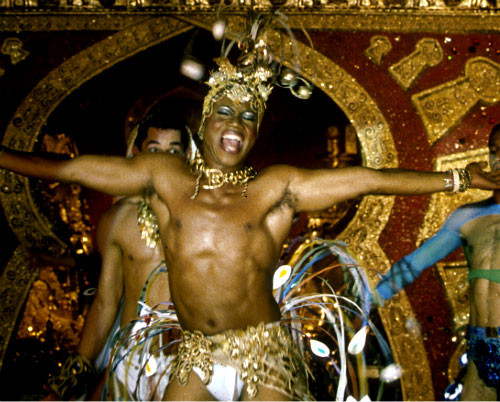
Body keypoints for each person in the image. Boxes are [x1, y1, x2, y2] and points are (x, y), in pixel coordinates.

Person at [2, 49, 500, 400]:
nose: (235, 124)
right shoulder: (165, 179)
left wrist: (458, 178)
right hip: (194, 355)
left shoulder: (274, 188)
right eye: (224, 111)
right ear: (203, 123)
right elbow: (70, 169)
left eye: (248, 116)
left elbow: (369, 179)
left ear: (256, 131)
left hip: (262, 353)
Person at [45, 113, 187, 401]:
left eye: (173, 152)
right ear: (136, 153)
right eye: (154, 150)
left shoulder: (208, 217)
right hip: (130, 358)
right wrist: (66, 384)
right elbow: (105, 303)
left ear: (187, 156)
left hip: (190, 363)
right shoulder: (117, 219)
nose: (163, 161)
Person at [375, 124, 500, 401]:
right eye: (494, 151)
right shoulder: (467, 216)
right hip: (480, 345)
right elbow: (413, 264)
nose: (499, 159)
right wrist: (368, 299)